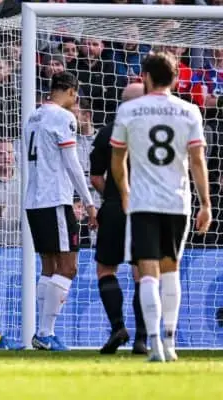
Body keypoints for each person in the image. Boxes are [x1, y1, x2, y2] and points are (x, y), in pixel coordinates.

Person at [110, 52, 212, 362]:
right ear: (176, 79)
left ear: (145, 77)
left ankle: (154, 341)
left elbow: (118, 159)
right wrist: (206, 203)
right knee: (171, 270)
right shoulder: (190, 111)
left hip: (144, 202)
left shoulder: (129, 109)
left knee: (148, 272)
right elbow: (197, 160)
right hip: (177, 202)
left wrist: (125, 192)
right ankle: (169, 341)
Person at [23, 71, 97, 352]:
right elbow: (73, 164)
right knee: (69, 267)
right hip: (55, 199)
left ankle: (42, 333)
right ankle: (45, 331)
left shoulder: (33, 116)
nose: (76, 101)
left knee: (50, 267)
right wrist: (89, 202)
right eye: (75, 95)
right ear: (70, 91)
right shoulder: (64, 118)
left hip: (34, 200)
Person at [90, 82, 147, 355]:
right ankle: (142, 339)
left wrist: (112, 195)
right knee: (143, 273)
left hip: (114, 206)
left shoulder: (106, 134)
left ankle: (118, 328)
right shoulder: (155, 132)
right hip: (146, 207)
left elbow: (95, 177)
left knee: (105, 269)